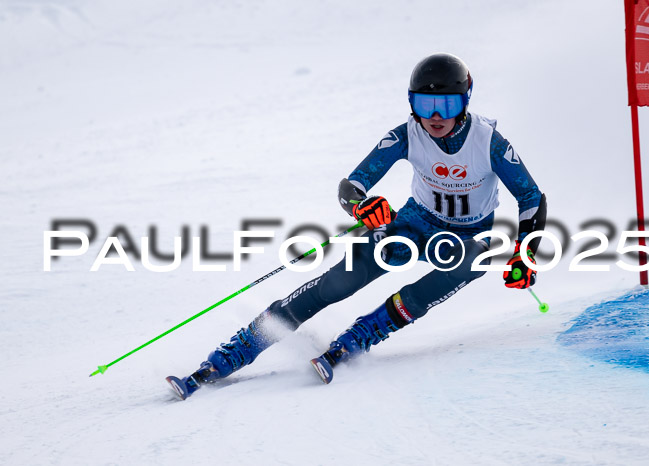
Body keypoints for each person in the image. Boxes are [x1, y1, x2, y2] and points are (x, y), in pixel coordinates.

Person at [166, 52, 547, 399]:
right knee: (338, 282)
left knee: (470, 265)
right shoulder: (405, 135)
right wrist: (363, 206)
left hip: (467, 237)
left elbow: (532, 198)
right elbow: (351, 187)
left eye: (445, 104)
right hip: (414, 225)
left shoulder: (489, 141)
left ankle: (362, 335)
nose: (434, 116)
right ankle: (238, 350)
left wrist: (524, 255)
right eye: (424, 104)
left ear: (465, 102)